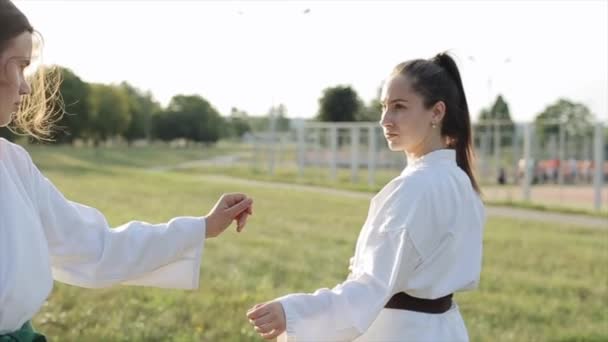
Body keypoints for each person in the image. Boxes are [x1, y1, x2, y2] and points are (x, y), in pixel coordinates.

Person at [0, 1, 253, 340]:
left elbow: (95, 247)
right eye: (19, 66)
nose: (26, 87)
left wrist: (202, 227)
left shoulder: (14, 166)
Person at [247, 52, 485, 341]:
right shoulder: (461, 181)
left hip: (401, 331)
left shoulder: (414, 188)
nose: (385, 119)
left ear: (436, 112)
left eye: (399, 107)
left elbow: (369, 287)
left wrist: (293, 311)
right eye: (384, 107)